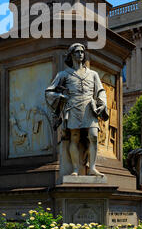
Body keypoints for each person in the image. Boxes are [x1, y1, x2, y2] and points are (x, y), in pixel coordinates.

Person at [45, 43, 108, 176]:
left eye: (82, 52)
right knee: (74, 137)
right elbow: (49, 92)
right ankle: (75, 168)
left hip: (89, 108)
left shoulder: (93, 74)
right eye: (77, 52)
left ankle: (92, 168)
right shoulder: (64, 74)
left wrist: (102, 103)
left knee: (94, 136)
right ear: (71, 55)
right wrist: (61, 97)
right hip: (73, 107)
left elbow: (100, 90)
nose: (80, 54)